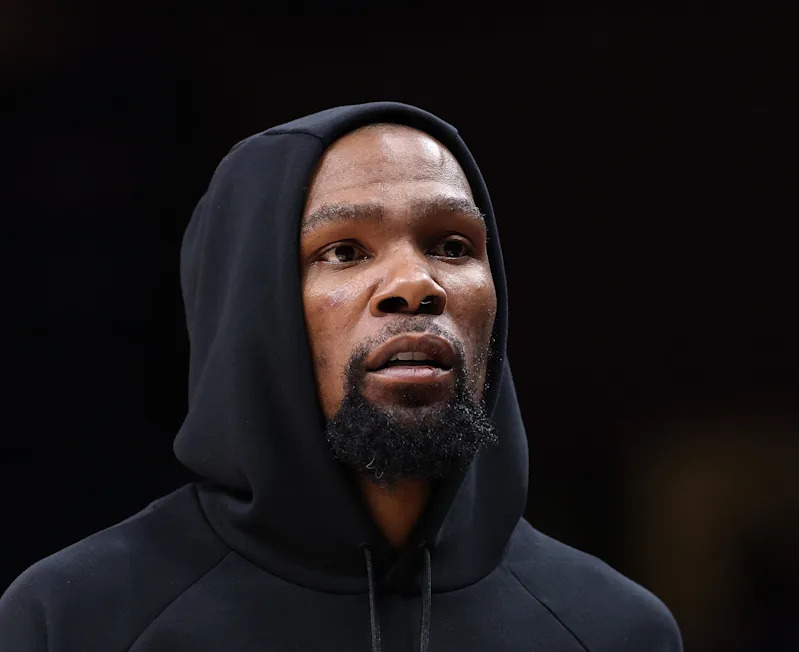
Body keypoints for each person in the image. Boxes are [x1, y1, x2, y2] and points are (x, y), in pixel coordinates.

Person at [0, 102, 682, 651]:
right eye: (344, 251)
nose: (416, 285)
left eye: (452, 246)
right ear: (250, 309)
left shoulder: (612, 628)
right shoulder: (78, 617)